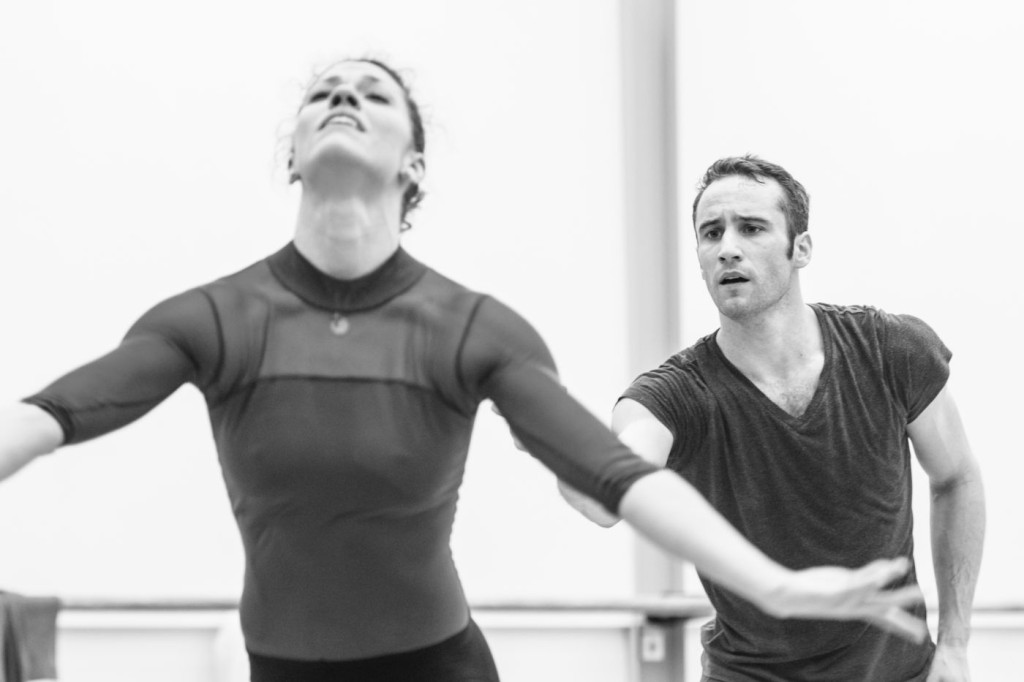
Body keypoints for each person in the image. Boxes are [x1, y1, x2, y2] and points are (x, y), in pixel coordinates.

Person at [0, 64, 926, 682]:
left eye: (372, 91)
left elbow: (613, 473)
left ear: (412, 165)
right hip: (281, 665)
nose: (342, 95)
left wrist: (772, 584)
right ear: (292, 154)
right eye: (324, 90)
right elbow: (55, 412)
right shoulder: (215, 317)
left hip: (438, 665)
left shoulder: (469, 328)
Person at [558, 155, 986, 681]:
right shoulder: (674, 395)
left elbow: (957, 478)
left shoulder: (890, 350)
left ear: (800, 248)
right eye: (710, 233)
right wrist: (548, 429)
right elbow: (606, 496)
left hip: (900, 672)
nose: (727, 247)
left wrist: (956, 643)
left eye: (752, 228)